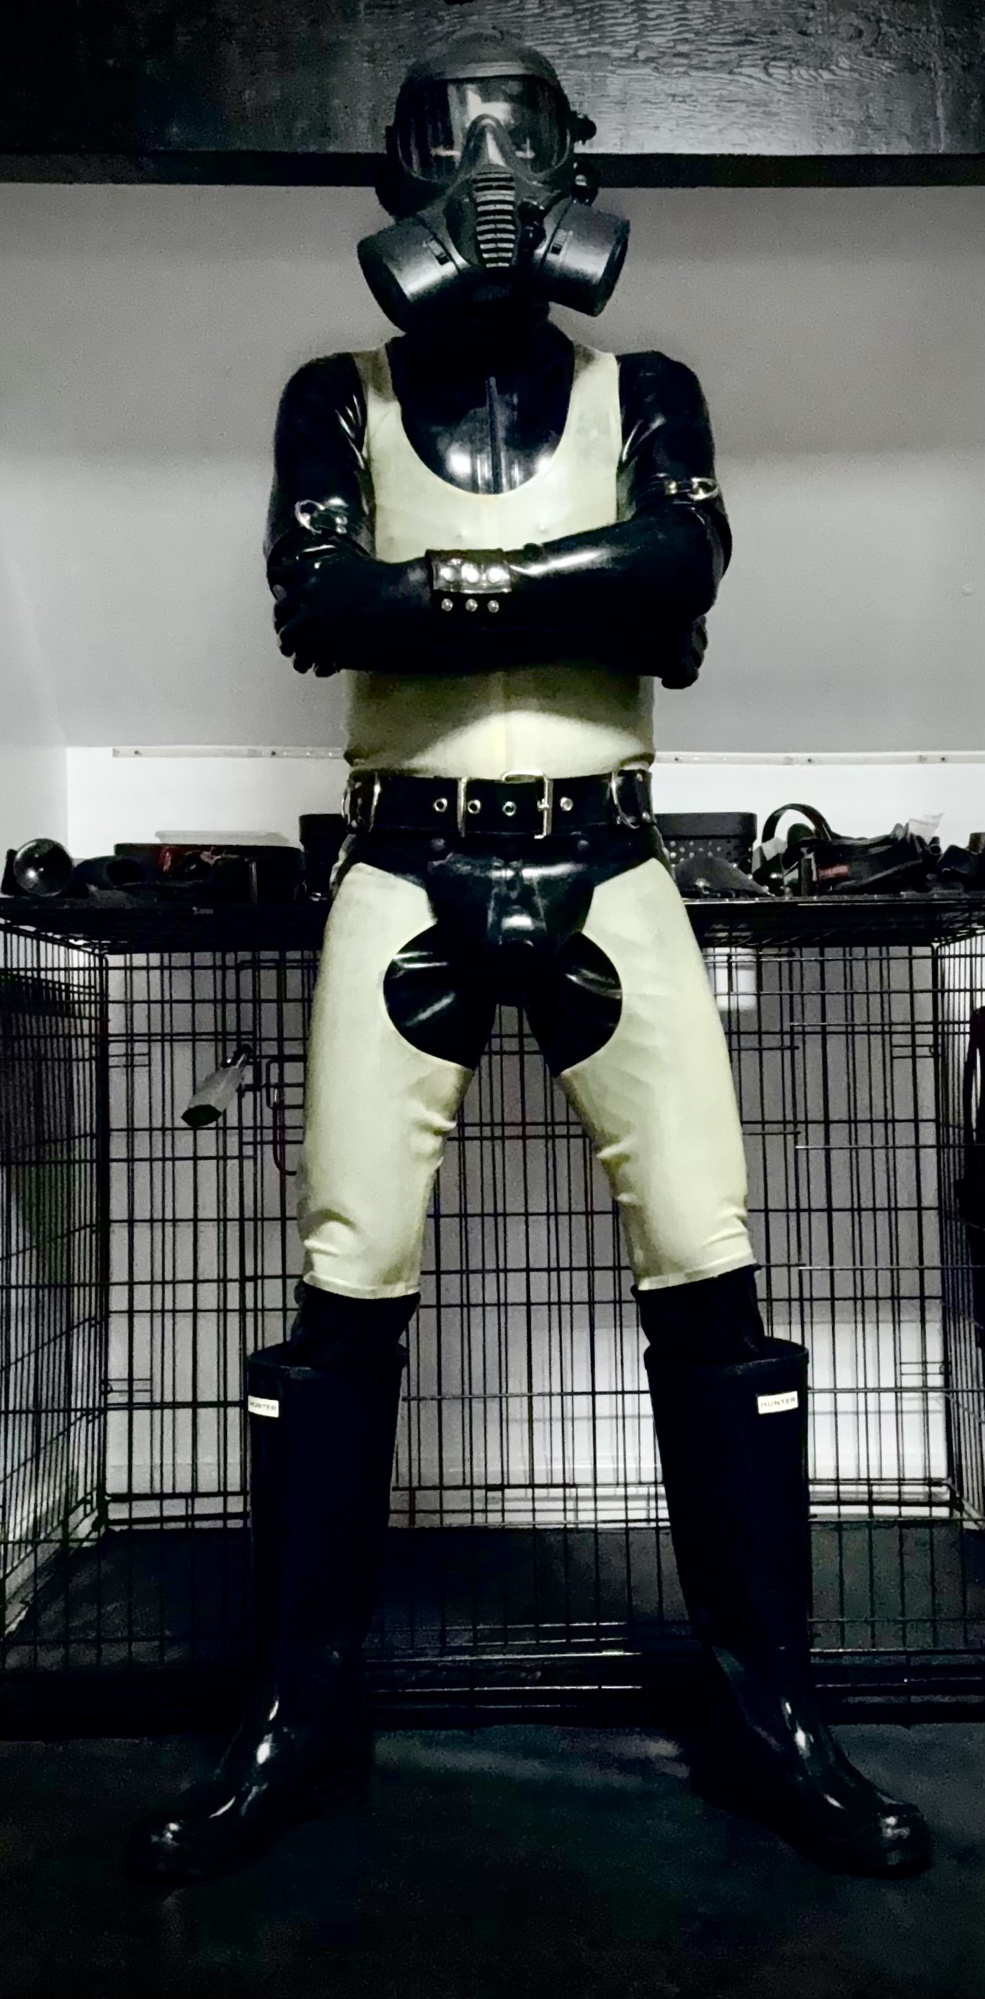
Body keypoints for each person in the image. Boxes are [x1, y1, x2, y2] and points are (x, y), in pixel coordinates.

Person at [128, 29, 931, 1882]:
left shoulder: (649, 386)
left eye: (519, 149)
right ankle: (299, 1715)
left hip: (608, 863)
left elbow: (679, 580)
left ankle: (769, 1713)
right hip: (405, 867)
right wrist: (578, 584)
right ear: (397, 180)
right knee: (346, 1273)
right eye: (452, 150)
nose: (490, 189)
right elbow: (318, 605)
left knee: (707, 1258)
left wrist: (437, 598)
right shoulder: (328, 395)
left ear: (574, 166)